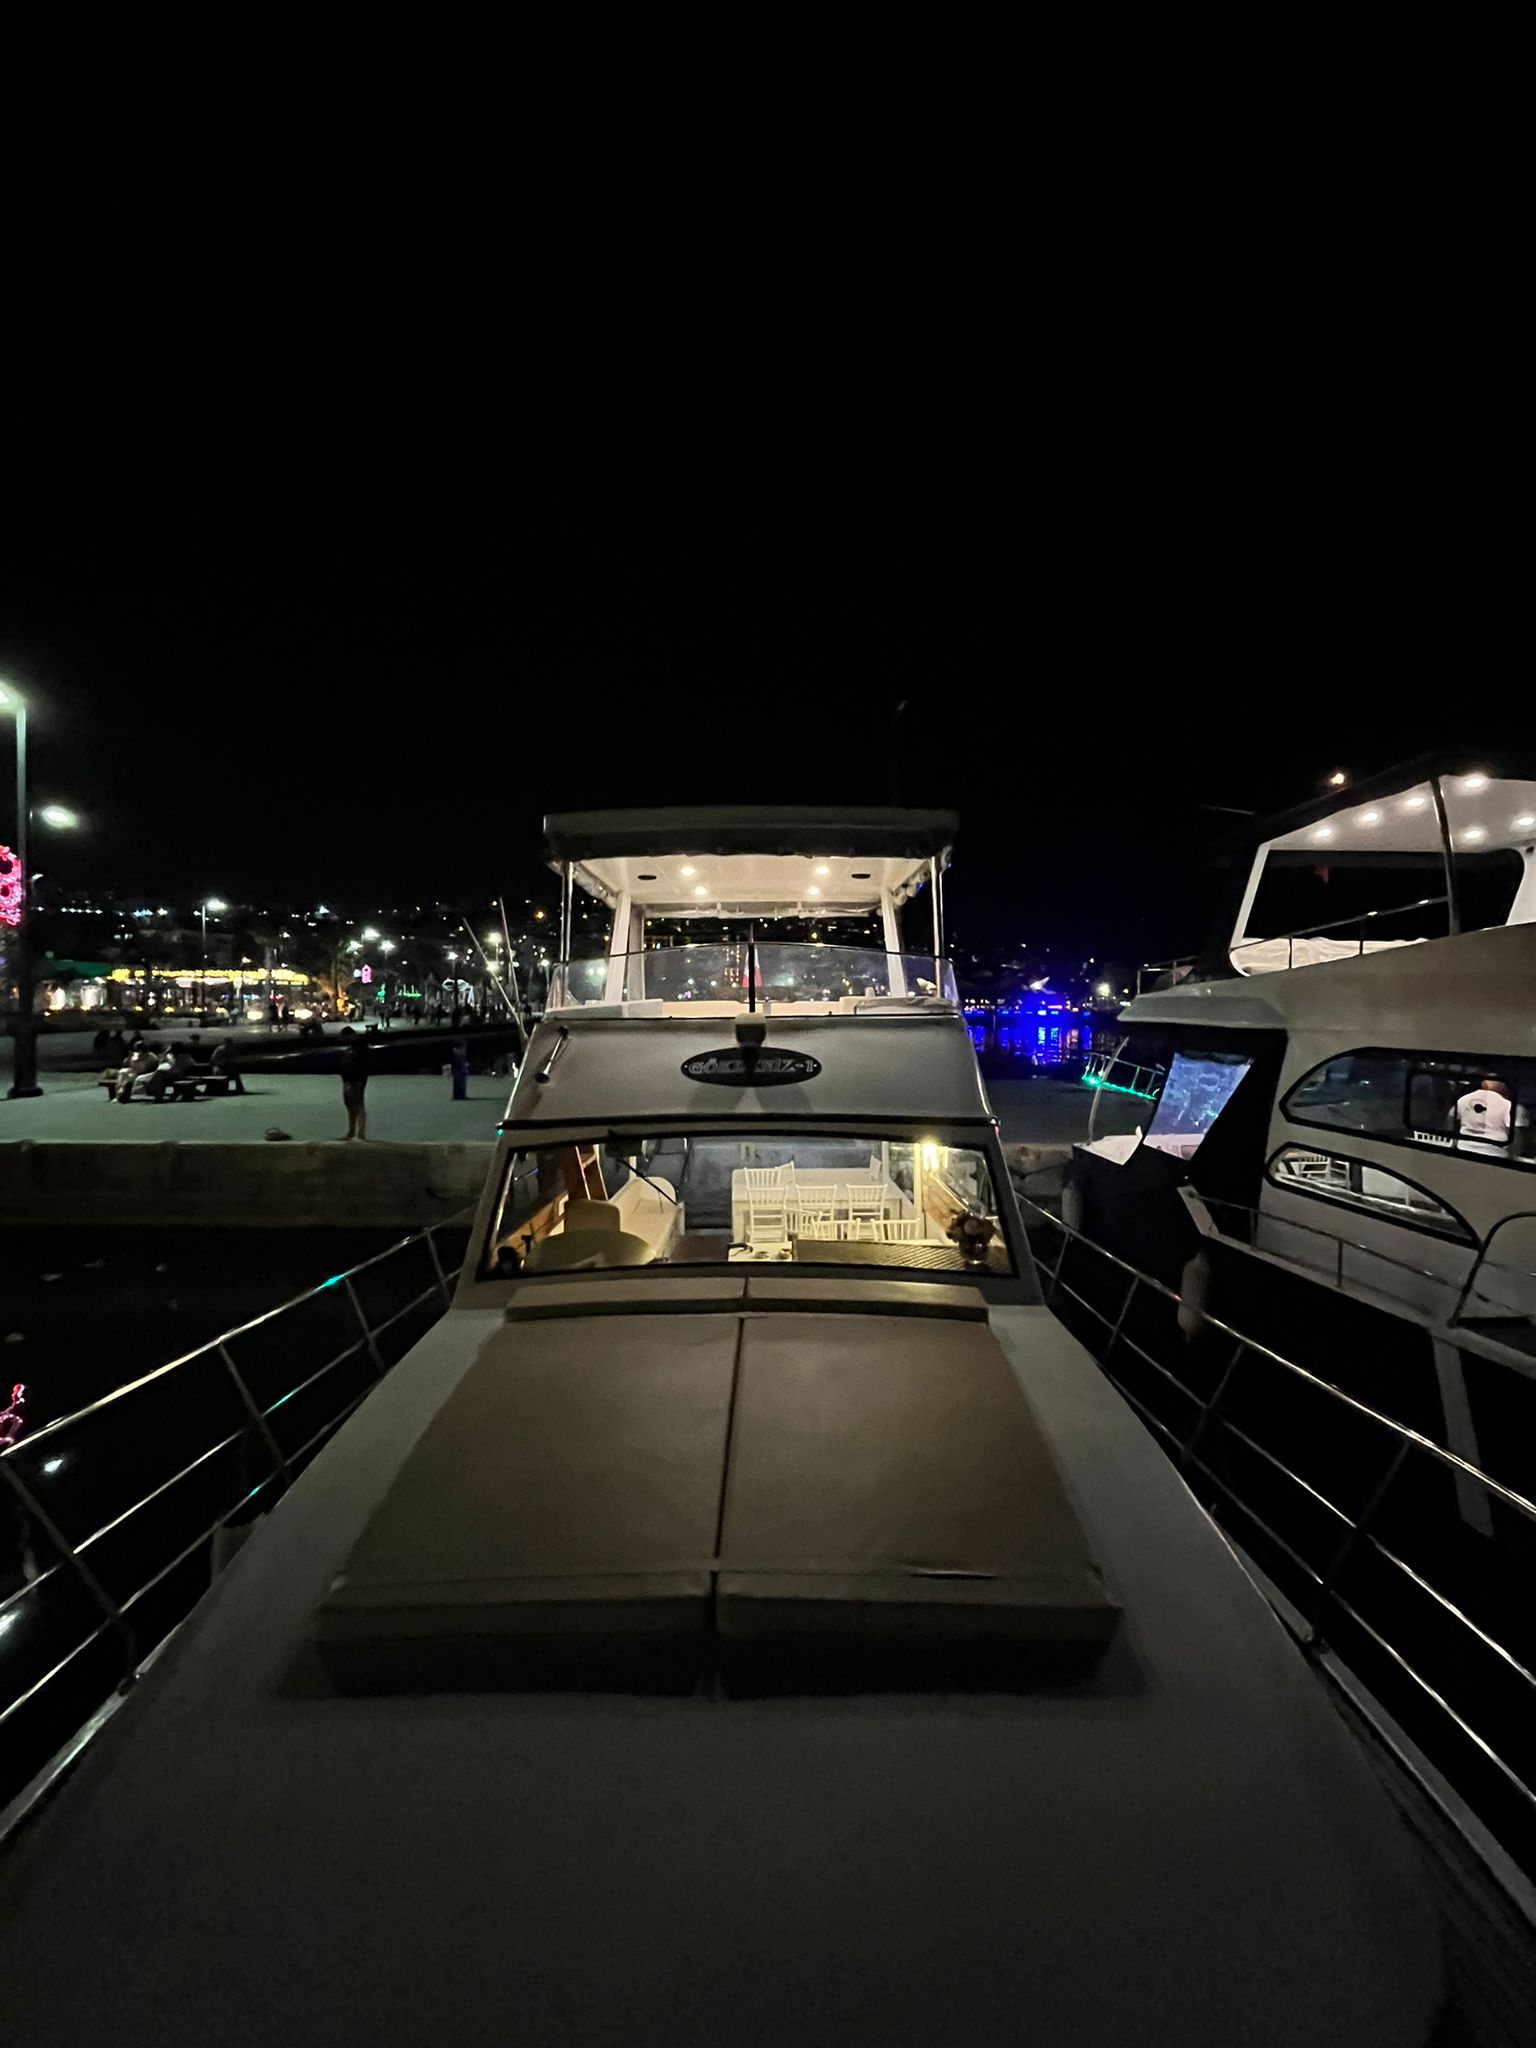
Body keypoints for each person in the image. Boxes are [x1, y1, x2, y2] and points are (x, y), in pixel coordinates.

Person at [1452, 1076, 1514, 1157]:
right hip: (1495, 1152)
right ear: (1502, 1088)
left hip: (1464, 1148)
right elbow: (1513, 1130)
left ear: (1482, 1084)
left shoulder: (1463, 1100)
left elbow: (1451, 1119)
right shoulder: (1507, 1105)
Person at [338, 1026, 370, 1140]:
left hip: (356, 1080)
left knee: (358, 1106)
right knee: (351, 1107)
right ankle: (352, 1132)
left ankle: (360, 1133)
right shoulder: (355, 1047)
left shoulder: (359, 1047)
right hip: (350, 1080)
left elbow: (362, 1065)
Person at [450, 1037, 470, 1102]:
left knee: (462, 1083)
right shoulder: (456, 1050)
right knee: (458, 1083)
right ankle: (457, 1096)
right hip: (458, 1068)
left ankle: (461, 1095)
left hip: (461, 1068)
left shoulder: (461, 1050)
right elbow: (457, 1059)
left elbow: (464, 1059)